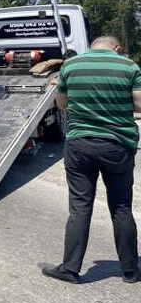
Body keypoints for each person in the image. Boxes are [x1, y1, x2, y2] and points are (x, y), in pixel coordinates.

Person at [41, 35, 141, 284]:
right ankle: (130, 270)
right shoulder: (129, 66)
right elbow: (140, 105)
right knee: (121, 208)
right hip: (118, 145)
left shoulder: (71, 65)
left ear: (92, 47)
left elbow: (62, 104)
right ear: (116, 48)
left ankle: (71, 269)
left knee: (80, 207)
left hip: (80, 145)